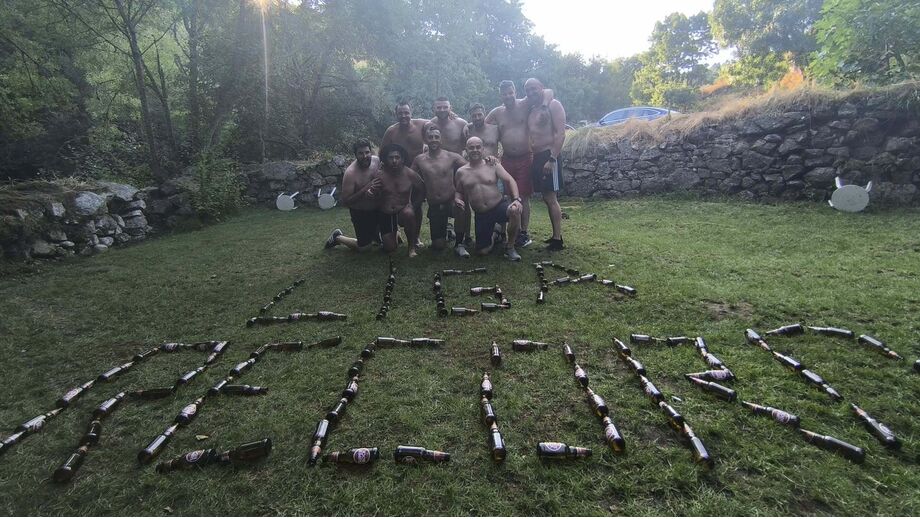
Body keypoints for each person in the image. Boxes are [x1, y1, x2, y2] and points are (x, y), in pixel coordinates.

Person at [484, 81, 553, 249]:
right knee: (506, 196)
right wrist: (468, 126)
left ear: (515, 92)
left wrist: (544, 107)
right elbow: (482, 125)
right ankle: (502, 230)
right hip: (506, 159)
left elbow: (548, 91)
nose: (508, 96)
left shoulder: (525, 103)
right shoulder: (497, 112)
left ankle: (523, 232)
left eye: (510, 92)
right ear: (500, 95)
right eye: (504, 94)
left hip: (525, 157)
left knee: (523, 196)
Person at [454, 137, 523, 262]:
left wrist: (517, 199)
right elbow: (459, 191)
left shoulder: (493, 164)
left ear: (483, 149)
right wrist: (458, 199)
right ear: (466, 150)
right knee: (482, 252)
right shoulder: (461, 172)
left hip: (499, 206)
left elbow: (510, 180)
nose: (475, 150)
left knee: (514, 210)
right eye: (471, 147)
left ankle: (510, 247)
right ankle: (495, 234)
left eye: (478, 147)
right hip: (482, 214)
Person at [524, 78, 566, 251]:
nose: (531, 93)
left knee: (551, 198)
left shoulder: (553, 105)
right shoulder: (532, 109)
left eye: (534, 89)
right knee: (545, 197)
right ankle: (554, 236)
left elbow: (560, 134)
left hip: (549, 155)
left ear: (541, 88)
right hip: (536, 156)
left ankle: (558, 239)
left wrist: (552, 158)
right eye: (528, 90)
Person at [409, 126, 467, 252]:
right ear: (425, 139)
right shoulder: (419, 159)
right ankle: (448, 230)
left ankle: (459, 243)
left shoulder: (452, 156)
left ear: (441, 139)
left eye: (436, 137)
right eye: (430, 137)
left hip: (451, 201)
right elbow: (408, 177)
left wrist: (488, 161)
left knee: (461, 208)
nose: (433, 140)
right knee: (438, 246)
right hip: (435, 204)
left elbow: (470, 167)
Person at [324, 139, 382, 252]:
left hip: (378, 210)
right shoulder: (350, 173)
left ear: (371, 152)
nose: (365, 156)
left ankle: (376, 235)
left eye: (367, 152)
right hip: (361, 213)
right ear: (355, 155)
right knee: (365, 249)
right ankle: (338, 237)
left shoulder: (377, 161)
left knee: (388, 241)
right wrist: (367, 187)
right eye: (360, 153)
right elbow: (346, 201)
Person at [377, 143, 425, 258]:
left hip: (403, 210)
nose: (394, 160)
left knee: (409, 213)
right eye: (391, 158)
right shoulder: (379, 175)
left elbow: (422, 190)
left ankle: (411, 247)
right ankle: (394, 235)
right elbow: (373, 194)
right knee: (390, 248)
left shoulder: (410, 174)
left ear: (402, 159)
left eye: (397, 157)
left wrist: (414, 205)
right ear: (385, 159)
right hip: (386, 213)